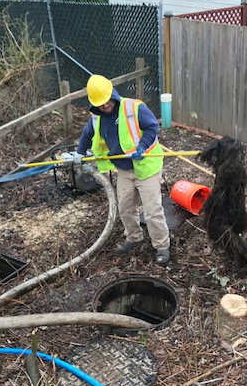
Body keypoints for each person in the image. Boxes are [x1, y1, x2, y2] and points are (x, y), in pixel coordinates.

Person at [66, 74, 171, 265]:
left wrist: (142, 147)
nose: (105, 106)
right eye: (100, 104)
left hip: (146, 167)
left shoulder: (134, 108)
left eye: (107, 102)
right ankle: (134, 237)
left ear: (112, 95)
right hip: (123, 170)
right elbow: (87, 134)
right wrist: (80, 153)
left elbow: (152, 127)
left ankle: (162, 246)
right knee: (125, 207)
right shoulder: (96, 118)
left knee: (152, 210)